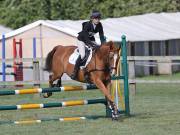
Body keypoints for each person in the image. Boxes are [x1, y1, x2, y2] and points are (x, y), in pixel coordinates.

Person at [70, 10, 106, 79]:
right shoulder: (87, 25)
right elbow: (86, 38)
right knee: (83, 55)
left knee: (97, 51)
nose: (97, 20)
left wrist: (103, 44)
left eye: (98, 18)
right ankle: (74, 72)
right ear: (92, 19)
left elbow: (101, 35)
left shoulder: (100, 25)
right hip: (82, 39)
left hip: (90, 39)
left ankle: (89, 71)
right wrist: (92, 45)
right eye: (96, 18)